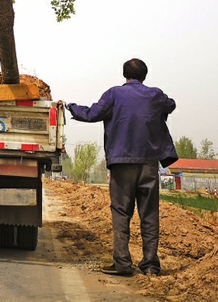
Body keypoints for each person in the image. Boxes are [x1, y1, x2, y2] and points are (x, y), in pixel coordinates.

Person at [66, 58, 178, 277]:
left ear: (124, 75)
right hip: (148, 164)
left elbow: (92, 114)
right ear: (145, 76)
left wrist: (71, 106)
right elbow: (171, 105)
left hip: (121, 163)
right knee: (149, 214)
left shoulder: (114, 94)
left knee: (120, 212)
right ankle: (151, 265)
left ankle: (122, 264)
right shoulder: (155, 95)